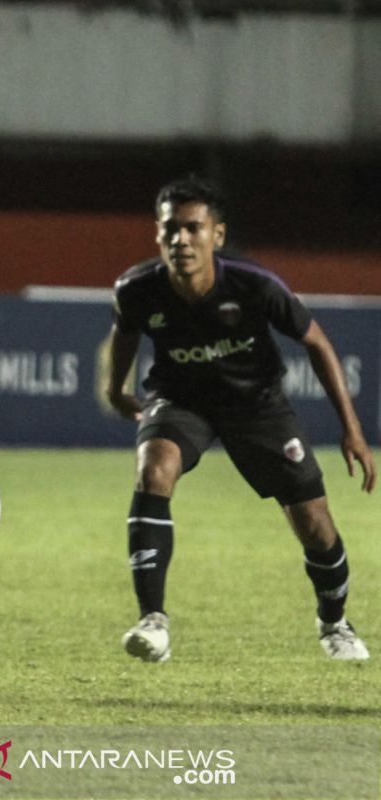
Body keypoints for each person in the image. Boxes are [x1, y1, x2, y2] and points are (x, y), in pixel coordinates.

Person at [106, 175, 375, 663]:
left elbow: (316, 342)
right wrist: (114, 388)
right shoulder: (136, 289)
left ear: (218, 236)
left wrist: (351, 430)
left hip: (257, 405)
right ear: (157, 234)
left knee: (315, 525)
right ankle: (154, 621)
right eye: (171, 229)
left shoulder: (254, 287)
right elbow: (125, 332)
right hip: (180, 398)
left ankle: (334, 623)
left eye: (193, 229)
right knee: (153, 469)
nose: (181, 240)